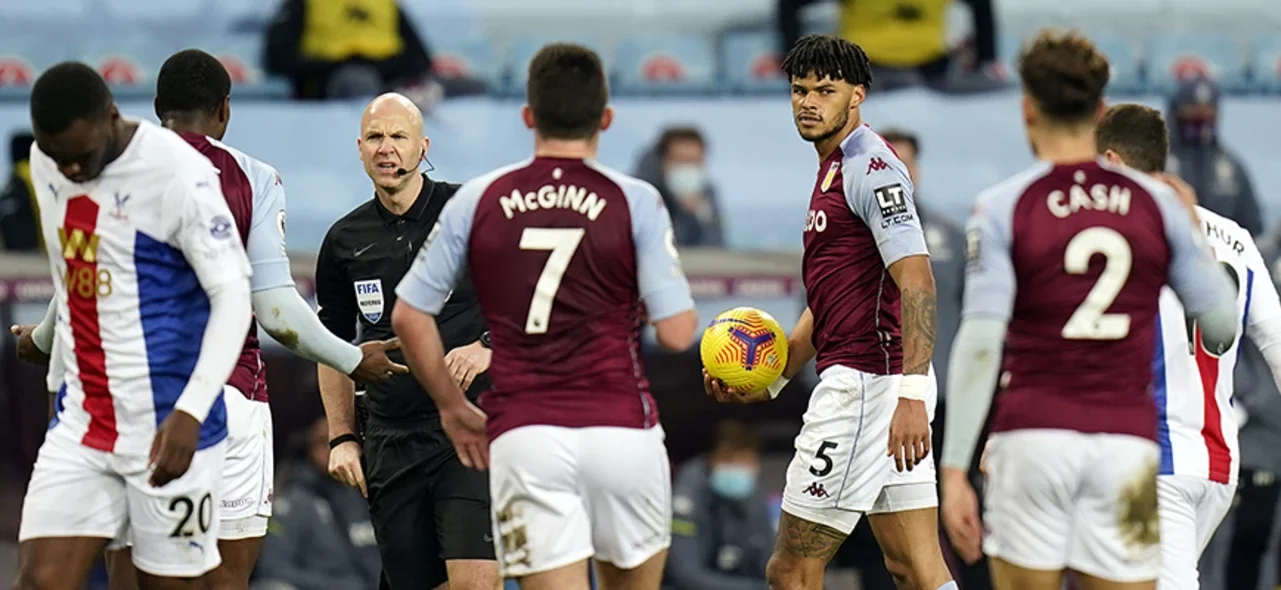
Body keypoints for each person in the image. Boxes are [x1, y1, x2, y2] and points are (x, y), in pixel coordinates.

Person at [51, 49, 404, 590]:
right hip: (230, 398)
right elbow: (277, 312)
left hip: (130, 397)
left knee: (131, 574)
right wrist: (353, 359)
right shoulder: (252, 177)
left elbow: (74, 285)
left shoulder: (105, 174)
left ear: (156, 108)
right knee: (226, 579)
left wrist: (41, 338)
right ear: (224, 110)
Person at [390, 43, 698, 590]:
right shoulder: (636, 200)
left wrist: (451, 407)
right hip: (621, 427)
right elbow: (677, 334)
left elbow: (410, 315)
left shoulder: (479, 198)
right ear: (606, 118)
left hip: (525, 434)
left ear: (528, 116)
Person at [939, 31, 1240, 590]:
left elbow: (980, 342)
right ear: (1101, 110)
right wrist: (1191, 230)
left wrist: (954, 467)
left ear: (1027, 110)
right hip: (1126, 446)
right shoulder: (1157, 204)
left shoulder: (1003, 206)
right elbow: (1221, 324)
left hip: (1031, 439)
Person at [705, 34, 954, 590]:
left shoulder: (872, 168)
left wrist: (912, 394)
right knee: (916, 570)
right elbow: (834, 299)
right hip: (879, 385)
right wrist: (769, 381)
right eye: (799, 90)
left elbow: (917, 279)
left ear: (857, 95)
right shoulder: (835, 168)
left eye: (825, 90)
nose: (809, 102)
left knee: (791, 571)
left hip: (867, 388)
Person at [10, 62, 253, 589]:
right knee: (40, 580)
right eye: (58, 158)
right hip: (83, 421)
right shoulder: (48, 159)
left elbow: (234, 295)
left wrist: (191, 411)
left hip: (170, 427)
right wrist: (54, 359)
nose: (70, 171)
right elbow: (75, 270)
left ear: (112, 117)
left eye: (82, 157)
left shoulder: (179, 174)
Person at [314, 92, 498, 590]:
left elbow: (528, 296)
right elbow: (329, 345)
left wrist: (487, 345)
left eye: (399, 137)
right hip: (390, 441)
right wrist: (343, 438)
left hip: (468, 430)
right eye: (375, 137)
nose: (386, 148)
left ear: (423, 147)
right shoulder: (344, 239)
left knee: (476, 581)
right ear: (359, 148)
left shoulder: (469, 212)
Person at [1096, 102, 1281, 590]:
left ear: (1113, 162)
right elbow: (1277, 341)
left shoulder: (1119, 235)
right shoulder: (1237, 240)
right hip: (1219, 464)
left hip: (1156, 460)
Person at [255, 417, 382, 590]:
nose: (334, 452)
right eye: (324, 443)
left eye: (344, 443)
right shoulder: (292, 504)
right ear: (310, 450)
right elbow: (273, 569)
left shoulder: (368, 497)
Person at [665, 420, 775, 590]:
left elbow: (768, 559)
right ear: (711, 459)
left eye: (744, 460)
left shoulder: (753, 490)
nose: (736, 466)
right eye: (728, 459)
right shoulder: (687, 496)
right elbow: (685, 574)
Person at [1166, 75, 1263, 235]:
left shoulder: (1231, 167)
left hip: (1221, 256)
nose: (1200, 121)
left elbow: (1253, 228)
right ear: (1177, 113)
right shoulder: (1158, 161)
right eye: (1192, 113)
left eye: (1207, 114)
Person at [633, 126, 725, 247]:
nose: (687, 168)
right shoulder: (637, 195)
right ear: (661, 162)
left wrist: (699, 216)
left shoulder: (706, 194)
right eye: (680, 160)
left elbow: (716, 248)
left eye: (694, 161)